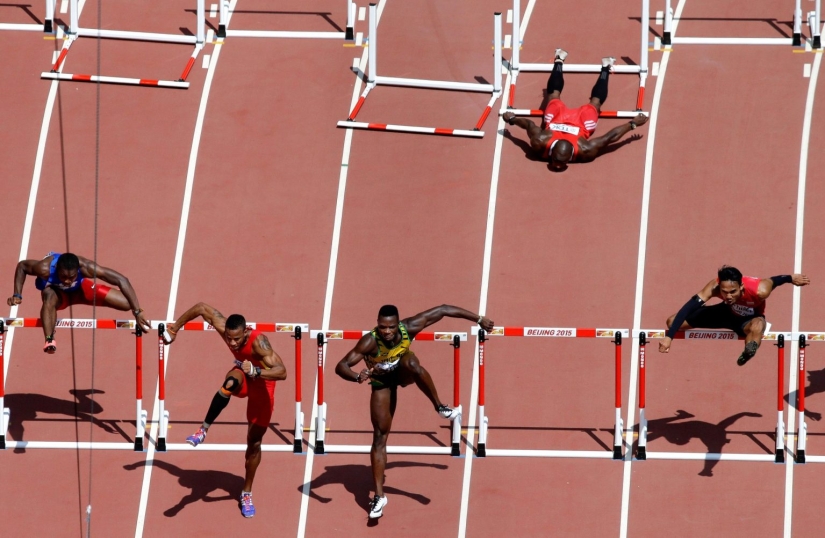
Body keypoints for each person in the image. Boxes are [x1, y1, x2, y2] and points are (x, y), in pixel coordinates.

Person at [335, 304, 494, 519]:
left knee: (412, 363)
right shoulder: (369, 341)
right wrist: (356, 377)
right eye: (383, 327)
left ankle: (439, 406)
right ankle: (379, 497)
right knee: (379, 437)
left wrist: (478, 319)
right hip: (381, 383)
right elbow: (341, 365)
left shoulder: (409, 327)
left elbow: (443, 310)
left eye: (391, 327)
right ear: (377, 325)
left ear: (398, 324)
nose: (387, 332)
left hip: (403, 372)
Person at [163, 302, 287, 518]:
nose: (232, 343)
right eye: (229, 338)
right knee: (229, 382)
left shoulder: (260, 343)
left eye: (236, 339)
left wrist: (256, 371)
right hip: (243, 375)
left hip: (263, 385)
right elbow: (202, 308)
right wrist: (174, 328)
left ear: (245, 332)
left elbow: (282, 372)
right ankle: (203, 430)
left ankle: (246, 493)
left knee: (254, 443)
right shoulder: (225, 330)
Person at [502, 48, 648, 170]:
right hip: (580, 124)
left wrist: (513, 119)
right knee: (594, 104)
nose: (557, 166)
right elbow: (609, 138)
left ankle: (562, 60)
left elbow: (529, 125)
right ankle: (602, 66)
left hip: (557, 120)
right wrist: (632, 124)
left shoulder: (542, 142)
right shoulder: (582, 149)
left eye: (560, 162)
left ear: (570, 156)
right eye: (557, 161)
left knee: (554, 96)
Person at [659, 266, 810, 365]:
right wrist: (669, 337)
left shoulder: (760, 290)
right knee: (672, 322)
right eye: (724, 292)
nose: (728, 296)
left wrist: (790, 278)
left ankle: (749, 350)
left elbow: (775, 280)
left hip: (748, 320)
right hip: (723, 313)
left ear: (741, 286)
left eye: (733, 292)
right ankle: (704, 316)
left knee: (757, 326)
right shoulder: (713, 287)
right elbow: (688, 307)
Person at [7, 252, 151, 353]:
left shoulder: (87, 267)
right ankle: (49, 339)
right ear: (57, 269)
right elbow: (22, 266)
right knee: (48, 295)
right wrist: (17, 294)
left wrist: (137, 311)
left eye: (72, 276)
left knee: (127, 303)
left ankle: (118, 297)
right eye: (63, 276)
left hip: (81, 291)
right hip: (59, 296)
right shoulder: (44, 268)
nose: (67, 280)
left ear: (78, 270)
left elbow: (122, 280)